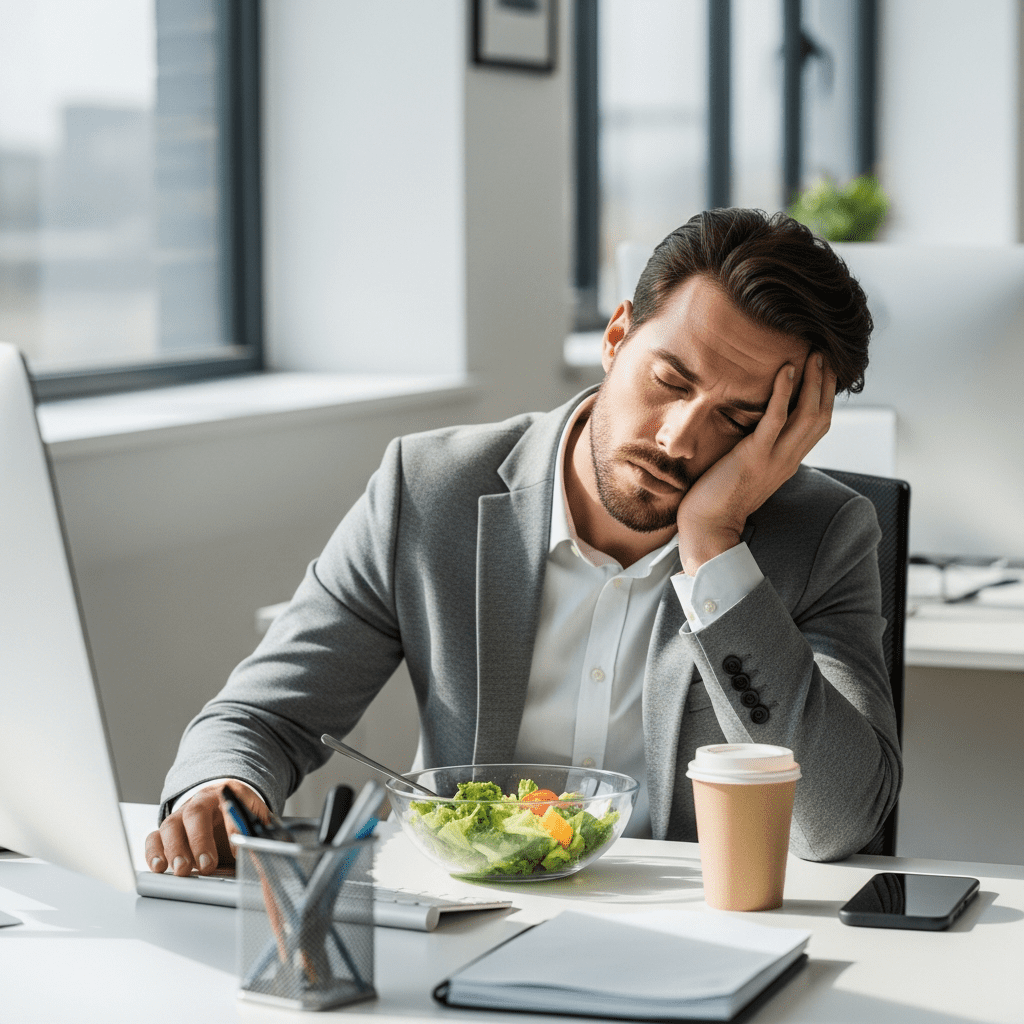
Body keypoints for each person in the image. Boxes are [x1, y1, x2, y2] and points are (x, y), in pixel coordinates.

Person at [146, 209, 901, 877]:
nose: (679, 440)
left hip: (686, 948)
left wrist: (716, 547)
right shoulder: (429, 489)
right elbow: (261, 717)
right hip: (464, 914)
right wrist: (224, 784)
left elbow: (837, 824)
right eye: (670, 380)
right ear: (616, 337)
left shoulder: (822, 535)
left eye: (737, 421)